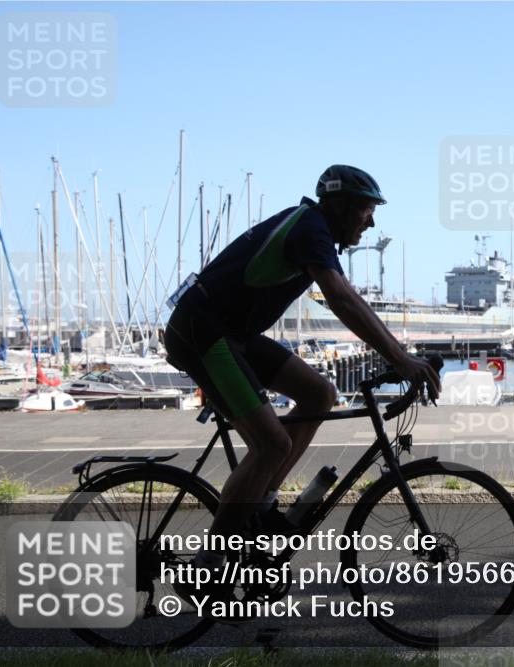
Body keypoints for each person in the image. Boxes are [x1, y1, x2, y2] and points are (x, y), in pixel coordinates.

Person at [164, 165, 441, 592]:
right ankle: (207, 567)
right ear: (340, 206)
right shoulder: (310, 228)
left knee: (320, 393)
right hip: (203, 333)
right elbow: (341, 299)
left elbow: (348, 297)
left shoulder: (314, 230)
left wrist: (400, 355)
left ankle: (262, 505)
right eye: (366, 210)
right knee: (271, 445)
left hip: (232, 335)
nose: (371, 222)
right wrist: (400, 358)